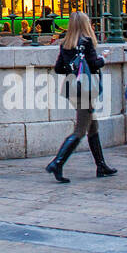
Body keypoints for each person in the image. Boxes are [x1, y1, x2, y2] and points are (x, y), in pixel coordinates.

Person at [46, 11, 115, 184]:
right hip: (84, 89)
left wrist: (73, 68)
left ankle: (101, 165)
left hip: (72, 88)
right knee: (80, 130)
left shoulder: (65, 44)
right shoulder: (86, 42)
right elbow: (94, 65)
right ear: (85, 24)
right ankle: (57, 162)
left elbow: (58, 69)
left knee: (93, 126)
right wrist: (103, 58)